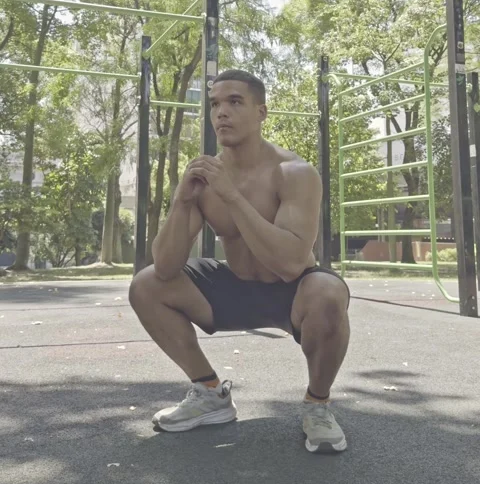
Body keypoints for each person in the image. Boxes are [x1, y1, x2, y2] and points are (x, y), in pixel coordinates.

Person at [129, 70, 350, 454]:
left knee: (328, 293)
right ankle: (209, 393)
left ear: (261, 112)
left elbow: (291, 263)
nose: (222, 113)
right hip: (235, 288)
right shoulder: (205, 176)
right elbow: (166, 268)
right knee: (146, 284)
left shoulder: (294, 173)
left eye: (235, 102)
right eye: (215, 104)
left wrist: (232, 197)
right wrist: (183, 202)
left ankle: (317, 405)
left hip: (292, 293)